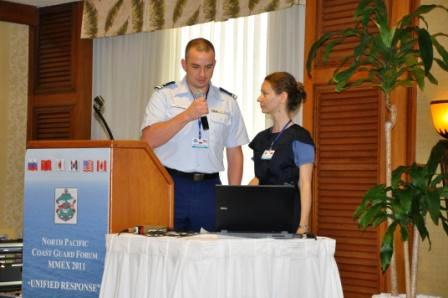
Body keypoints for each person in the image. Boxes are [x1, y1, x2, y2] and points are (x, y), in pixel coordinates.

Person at [141, 38, 249, 232]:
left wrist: (233, 197)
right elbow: (148, 140)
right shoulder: (164, 96)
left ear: (215, 65)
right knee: (168, 252)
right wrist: (186, 115)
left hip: (210, 189)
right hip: (171, 185)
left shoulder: (227, 102)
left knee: (209, 254)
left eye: (208, 67)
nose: (202, 74)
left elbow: (235, 153)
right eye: (195, 66)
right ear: (184, 64)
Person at [248, 72, 315, 234]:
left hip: (288, 215)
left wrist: (303, 226)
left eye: (265, 93)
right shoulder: (261, 139)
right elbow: (259, 178)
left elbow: (305, 183)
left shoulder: (301, 137)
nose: (259, 98)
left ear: (282, 97)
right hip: (260, 215)